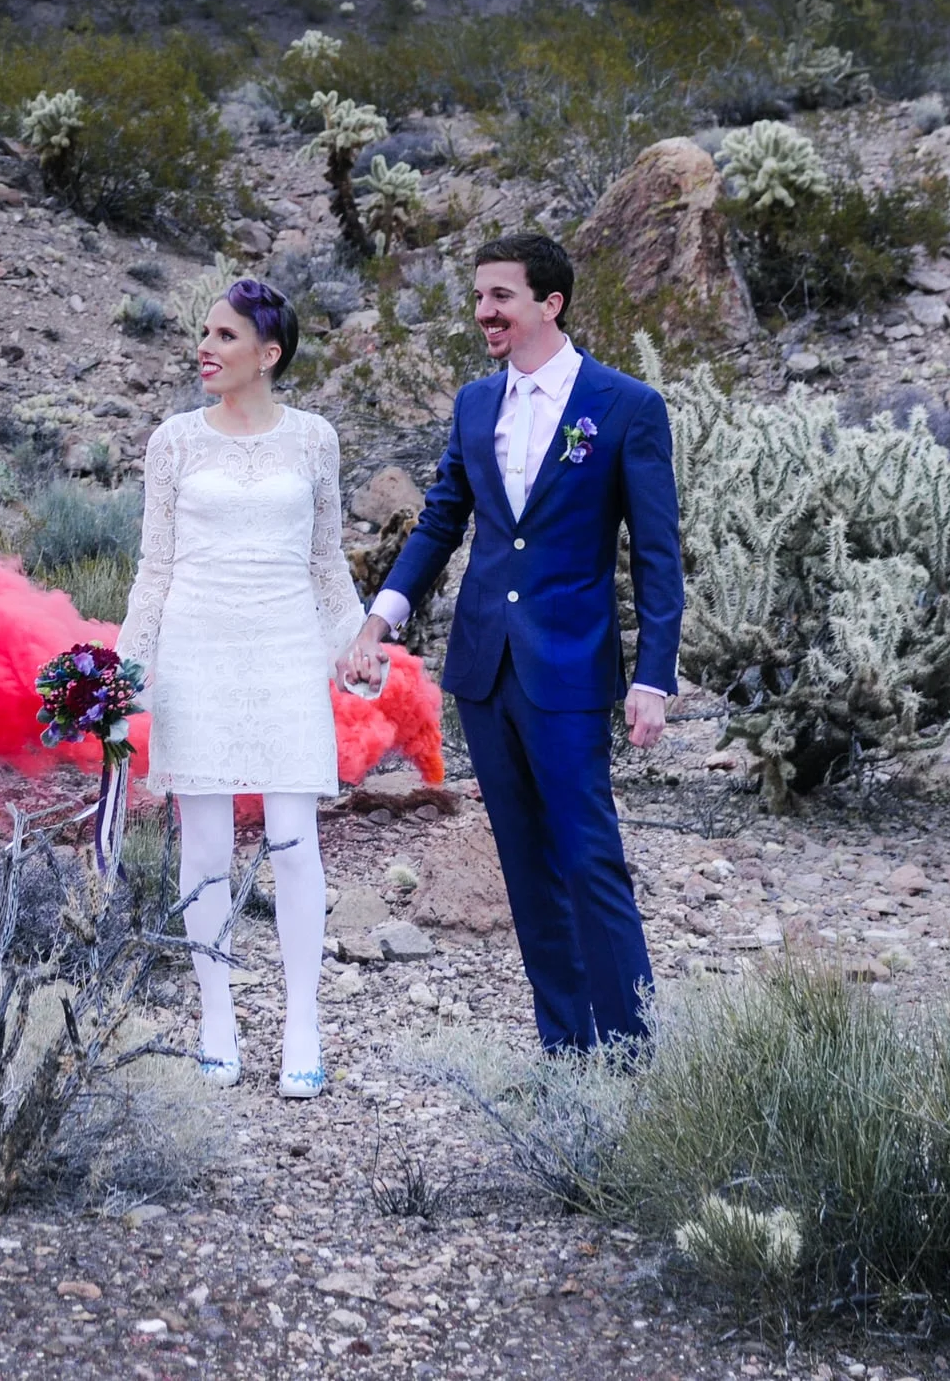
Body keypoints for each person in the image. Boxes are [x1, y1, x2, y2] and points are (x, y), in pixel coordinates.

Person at [339, 233, 681, 1053]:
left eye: (500, 297)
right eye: (480, 297)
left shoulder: (626, 405)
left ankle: (635, 1057)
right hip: (485, 669)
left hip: (569, 668)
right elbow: (440, 520)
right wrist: (378, 620)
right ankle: (566, 1054)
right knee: (526, 870)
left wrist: (654, 676)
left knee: (590, 859)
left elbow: (658, 553)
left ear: (549, 304)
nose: (484, 312)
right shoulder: (473, 403)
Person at [116, 278, 365, 1098]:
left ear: (270, 354)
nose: (207, 348)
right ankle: (215, 1016)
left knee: (295, 837)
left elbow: (327, 560)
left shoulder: (315, 440)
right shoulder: (174, 442)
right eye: (204, 333)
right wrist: (127, 664)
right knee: (208, 843)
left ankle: (303, 1023)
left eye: (225, 336)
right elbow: (154, 565)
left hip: (288, 646)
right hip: (197, 648)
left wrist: (354, 644)